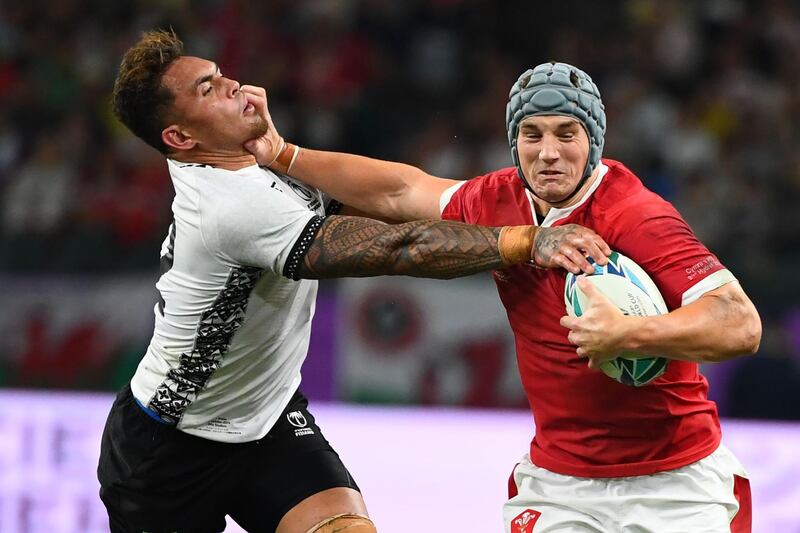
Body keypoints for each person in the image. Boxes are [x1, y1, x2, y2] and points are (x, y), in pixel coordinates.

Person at [97, 32, 612, 533]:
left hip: (268, 419)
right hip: (168, 452)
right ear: (180, 138)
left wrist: (283, 152)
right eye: (207, 88)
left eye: (221, 74)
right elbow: (398, 248)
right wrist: (523, 241)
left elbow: (391, 198)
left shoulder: (259, 164)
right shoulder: (229, 207)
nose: (233, 84)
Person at [247, 62, 762, 532]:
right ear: (513, 141)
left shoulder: (637, 215)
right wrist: (284, 153)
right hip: (561, 487)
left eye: (567, 134)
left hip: (674, 484)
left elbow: (740, 324)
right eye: (531, 135)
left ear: (595, 141)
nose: (548, 152)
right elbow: (401, 191)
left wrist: (629, 334)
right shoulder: (496, 199)